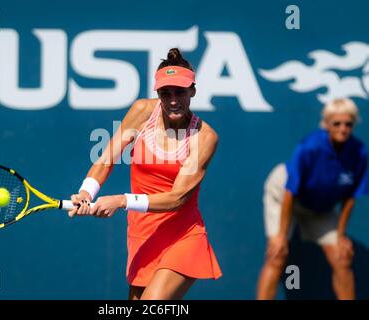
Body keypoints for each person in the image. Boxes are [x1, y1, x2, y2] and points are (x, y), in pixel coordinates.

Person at [68, 48, 222, 300]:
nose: (173, 100)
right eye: (165, 92)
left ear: (192, 90)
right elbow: (107, 158)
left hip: (183, 235)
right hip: (142, 233)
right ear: (157, 93)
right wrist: (87, 192)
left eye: (180, 92)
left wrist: (120, 201)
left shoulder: (204, 137)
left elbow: (177, 199)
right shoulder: (141, 111)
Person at [257, 98, 368, 300]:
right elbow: (291, 191)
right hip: (284, 195)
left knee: (342, 258)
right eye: (337, 123)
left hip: (318, 207)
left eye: (348, 124)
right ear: (326, 124)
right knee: (277, 255)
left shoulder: (359, 152)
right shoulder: (310, 147)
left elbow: (350, 198)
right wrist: (281, 235)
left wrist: (342, 235)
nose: (343, 129)